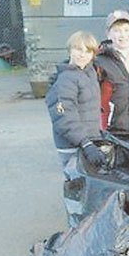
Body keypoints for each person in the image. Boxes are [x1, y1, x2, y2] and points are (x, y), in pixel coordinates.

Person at [46, 31, 106, 170]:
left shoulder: (89, 72)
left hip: (89, 141)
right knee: (77, 186)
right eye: (78, 49)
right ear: (70, 50)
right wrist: (85, 143)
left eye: (87, 51)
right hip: (73, 145)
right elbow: (64, 117)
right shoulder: (66, 80)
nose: (82, 55)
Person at [95, 10, 129, 142]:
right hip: (113, 131)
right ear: (108, 34)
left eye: (126, 30)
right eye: (117, 31)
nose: (122, 35)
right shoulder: (99, 60)